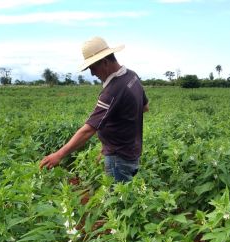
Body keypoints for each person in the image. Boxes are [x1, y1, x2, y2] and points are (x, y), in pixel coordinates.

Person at [39, 36, 149, 182]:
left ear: (104, 62)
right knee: (126, 196)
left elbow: (88, 130)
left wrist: (59, 154)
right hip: (130, 152)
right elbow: (144, 107)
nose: (92, 74)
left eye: (92, 68)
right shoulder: (132, 76)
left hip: (119, 158)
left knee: (119, 200)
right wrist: (110, 144)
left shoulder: (112, 91)